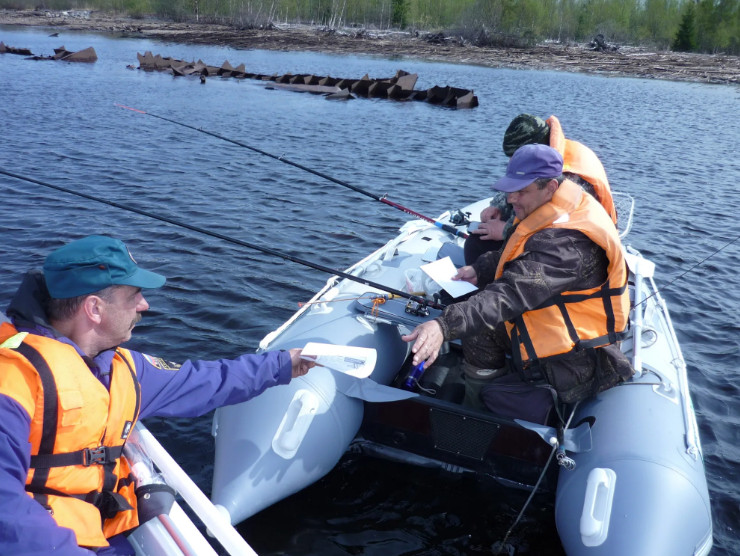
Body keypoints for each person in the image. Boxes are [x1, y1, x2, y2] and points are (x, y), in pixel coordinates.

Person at [0, 235, 315, 556]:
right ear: (94, 308)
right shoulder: (12, 378)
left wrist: (282, 364)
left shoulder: (123, 367)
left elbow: (208, 381)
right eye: (134, 295)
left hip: (100, 527)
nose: (144, 305)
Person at [403, 145, 633, 423]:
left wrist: (443, 326)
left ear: (549, 186)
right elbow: (521, 252)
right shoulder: (559, 205)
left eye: (521, 191)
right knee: (478, 329)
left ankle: (478, 412)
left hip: (577, 357)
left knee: (481, 323)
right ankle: (479, 401)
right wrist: (480, 269)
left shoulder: (569, 243)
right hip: (556, 321)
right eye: (510, 189)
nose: (511, 198)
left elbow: (509, 294)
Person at [464, 113, 618, 266]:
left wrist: (505, 230)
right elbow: (519, 188)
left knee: (478, 246)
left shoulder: (570, 179)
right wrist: (498, 206)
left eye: (516, 156)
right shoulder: (546, 154)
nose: (512, 161)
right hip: (550, 227)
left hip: (576, 245)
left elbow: (552, 225)